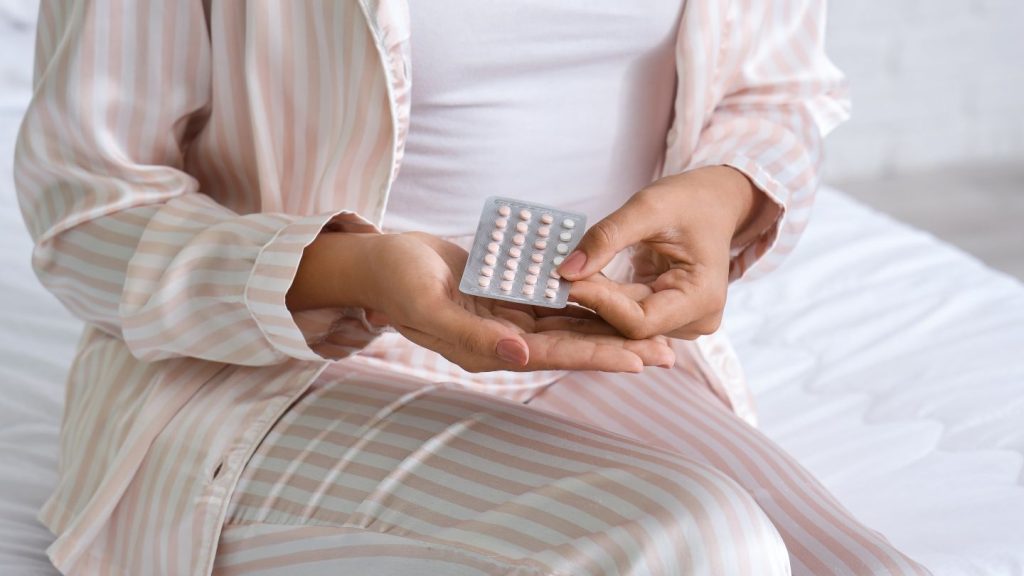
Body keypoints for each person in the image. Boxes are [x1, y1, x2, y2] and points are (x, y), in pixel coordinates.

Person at [14, 1, 931, 574]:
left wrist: (727, 193)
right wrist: (357, 276)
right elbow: (83, 210)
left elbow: (777, 94)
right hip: (272, 377)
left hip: (596, 353)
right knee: (695, 547)